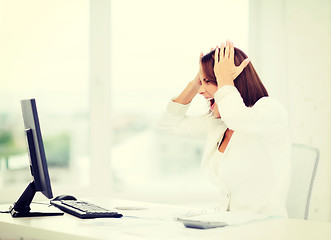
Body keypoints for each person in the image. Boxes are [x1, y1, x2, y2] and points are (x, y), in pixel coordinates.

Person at [157, 40, 291, 216]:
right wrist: (195, 82)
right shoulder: (218, 124)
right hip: (227, 223)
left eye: (208, 81)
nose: (201, 91)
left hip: (264, 227)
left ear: (231, 82)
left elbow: (237, 117)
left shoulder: (271, 111)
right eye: (201, 82)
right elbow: (169, 125)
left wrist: (225, 78)